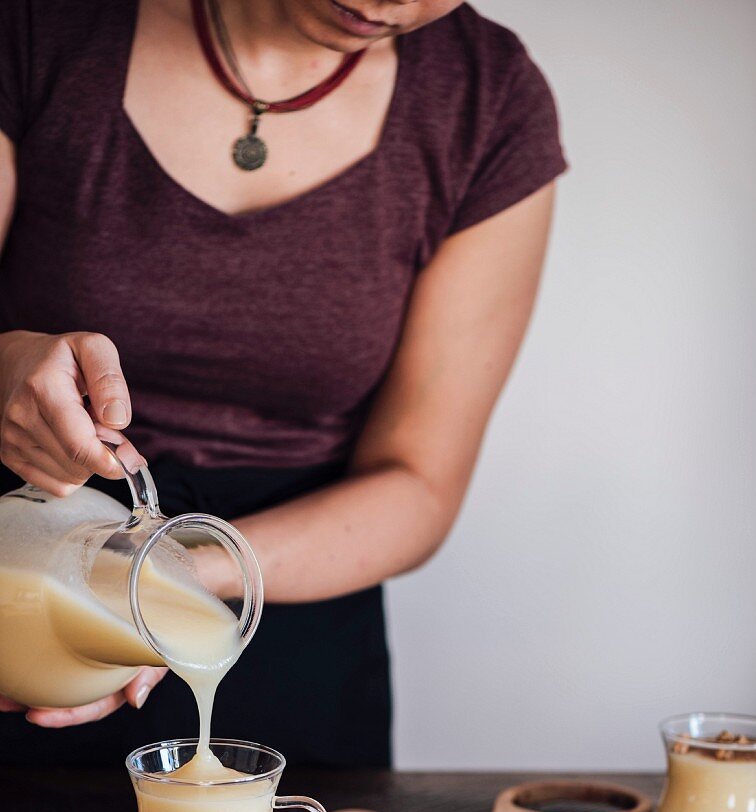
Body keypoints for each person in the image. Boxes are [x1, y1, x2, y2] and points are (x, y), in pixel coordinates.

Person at [0, 0, 566, 766]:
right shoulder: (42, 25)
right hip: (25, 563)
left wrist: (162, 580)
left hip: (290, 603)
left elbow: (419, 484)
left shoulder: (486, 97)